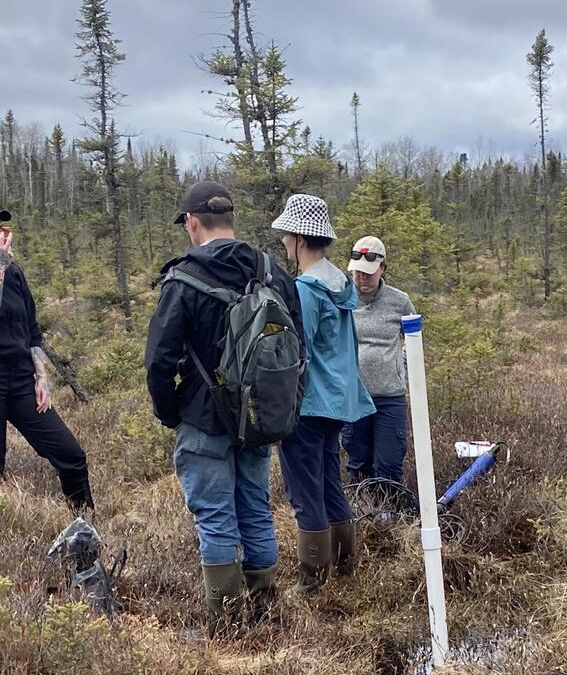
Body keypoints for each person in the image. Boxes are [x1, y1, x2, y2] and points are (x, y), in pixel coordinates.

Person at [145, 180, 304, 629]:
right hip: (258, 417)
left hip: (202, 417)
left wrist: (169, 411)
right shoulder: (273, 271)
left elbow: (159, 359)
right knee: (255, 507)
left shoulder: (183, 278)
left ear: (191, 221)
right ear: (230, 219)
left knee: (215, 518)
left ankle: (227, 623)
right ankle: (266, 610)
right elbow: (298, 348)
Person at [0, 200, 93, 511]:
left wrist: (42, 377)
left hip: (21, 377)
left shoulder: (15, 273)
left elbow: (31, 329)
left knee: (71, 455)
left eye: (1, 229)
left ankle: (84, 524)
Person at [271, 194, 374, 593]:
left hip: (309, 404)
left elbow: (299, 353)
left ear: (299, 238)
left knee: (304, 490)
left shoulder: (306, 290)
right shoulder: (340, 284)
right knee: (330, 480)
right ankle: (345, 568)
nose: (283, 242)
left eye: (286, 235)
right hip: (335, 402)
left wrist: (281, 411)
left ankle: (312, 583)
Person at [343, 235, 417, 490]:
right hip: (354, 397)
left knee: (388, 466)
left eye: (369, 273)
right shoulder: (341, 299)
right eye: (358, 272)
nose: (362, 278)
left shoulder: (400, 301)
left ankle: (388, 521)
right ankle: (361, 517)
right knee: (358, 464)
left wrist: (401, 366)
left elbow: (414, 338)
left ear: (382, 268)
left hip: (390, 398)